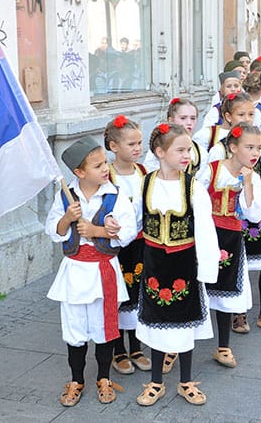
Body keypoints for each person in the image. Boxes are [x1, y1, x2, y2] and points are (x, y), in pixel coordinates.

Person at [45, 136, 138, 407]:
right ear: (79, 173)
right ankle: (77, 379)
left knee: (103, 327)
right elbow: (53, 231)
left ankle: (104, 377)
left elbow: (128, 231)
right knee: (74, 328)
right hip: (75, 272)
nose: (105, 169)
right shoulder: (65, 196)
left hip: (103, 270)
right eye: (97, 166)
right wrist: (67, 219)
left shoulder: (115, 195)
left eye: (105, 163)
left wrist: (97, 231)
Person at [134, 123, 220, 407]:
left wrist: (206, 270)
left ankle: (185, 381)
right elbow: (134, 220)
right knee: (157, 323)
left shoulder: (193, 187)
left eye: (188, 150)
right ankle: (156, 382)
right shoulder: (145, 183)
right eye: (180, 150)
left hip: (184, 265)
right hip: (154, 264)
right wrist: (113, 228)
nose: (187, 155)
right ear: (160, 152)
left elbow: (206, 230)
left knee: (184, 324)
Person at [196, 123, 261, 368]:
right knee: (199, 287)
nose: (254, 152)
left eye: (258, 147)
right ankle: (177, 348)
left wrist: (247, 183)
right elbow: (195, 199)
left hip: (232, 237)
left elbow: (255, 214)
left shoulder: (253, 176)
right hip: (208, 235)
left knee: (226, 292)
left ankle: (223, 346)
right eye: (249, 147)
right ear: (233, 147)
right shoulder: (211, 170)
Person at [104, 116, 152, 376]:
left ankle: (136, 346)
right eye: (131, 144)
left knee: (138, 293)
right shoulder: (106, 175)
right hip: (116, 246)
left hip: (141, 242)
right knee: (118, 294)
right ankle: (117, 349)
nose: (137, 148)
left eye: (140, 143)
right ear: (114, 146)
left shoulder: (144, 172)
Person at [144, 98, 202, 177]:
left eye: (193, 118)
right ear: (171, 120)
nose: (189, 122)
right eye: (183, 118)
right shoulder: (159, 149)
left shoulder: (200, 151)